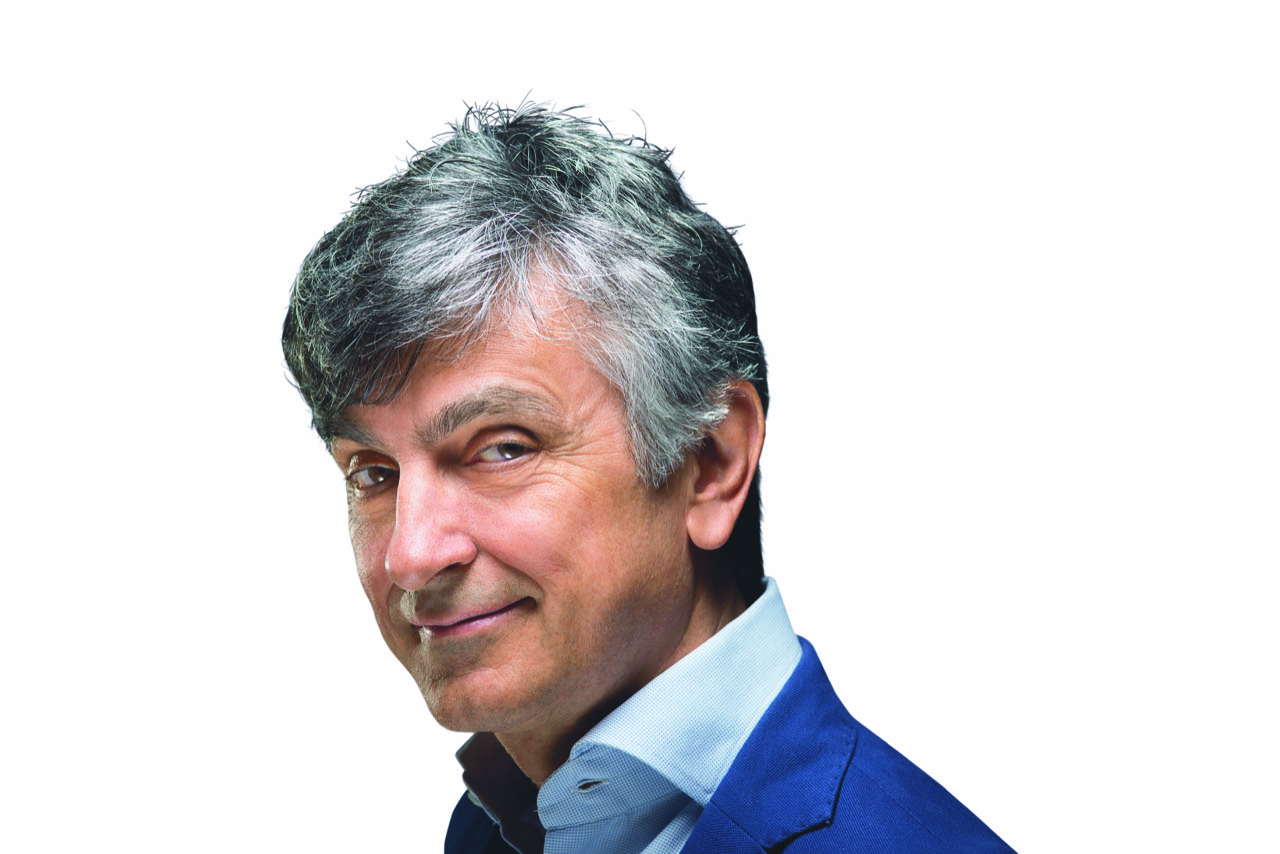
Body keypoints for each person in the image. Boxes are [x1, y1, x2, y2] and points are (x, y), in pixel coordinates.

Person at [282, 104, 1015, 854]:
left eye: (502, 449)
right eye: (373, 473)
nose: (410, 555)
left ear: (710, 464)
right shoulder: (498, 826)